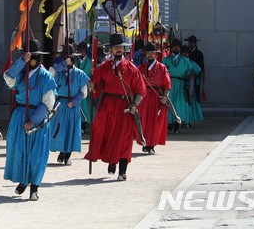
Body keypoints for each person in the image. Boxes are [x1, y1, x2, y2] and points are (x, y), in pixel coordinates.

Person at [85, 33, 146, 181]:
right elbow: (97, 90)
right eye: (115, 47)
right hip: (107, 106)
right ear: (111, 49)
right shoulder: (104, 68)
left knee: (124, 138)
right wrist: (92, 87)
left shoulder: (132, 69)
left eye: (121, 47)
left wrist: (134, 105)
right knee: (108, 136)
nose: (118, 49)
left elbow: (140, 91)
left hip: (125, 107)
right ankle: (112, 161)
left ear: (124, 49)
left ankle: (122, 170)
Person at [4, 39, 57, 201]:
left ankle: (34, 187)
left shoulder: (47, 77)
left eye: (34, 56)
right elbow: (7, 78)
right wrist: (21, 62)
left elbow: (48, 102)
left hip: (37, 118)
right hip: (20, 114)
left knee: (37, 154)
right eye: (28, 56)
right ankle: (23, 180)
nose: (32, 59)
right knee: (19, 151)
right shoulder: (20, 73)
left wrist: (33, 120)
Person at [49, 49, 88, 166]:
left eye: (70, 58)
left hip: (72, 105)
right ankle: (62, 152)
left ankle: (67, 156)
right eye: (66, 58)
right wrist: (62, 65)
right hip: (60, 105)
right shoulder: (58, 71)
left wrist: (75, 102)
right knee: (60, 130)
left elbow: (83, 92)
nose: (68, 60)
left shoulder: (80, 74)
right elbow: (50, 72)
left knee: (72, 130)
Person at [137, 42, 171, 154]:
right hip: (143, 97)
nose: (150, 55)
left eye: (152, 53)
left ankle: (151, 145)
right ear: (145, 54)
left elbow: (167, 85)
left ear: (156, 55)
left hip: (156, 98)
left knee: (154, 122)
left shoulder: (162, 68)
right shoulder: (141, 68)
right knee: (143, 121)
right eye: (148, 53)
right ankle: (144, 142)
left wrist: (165, 96)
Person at [165, 39, 202, 134]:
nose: (176, 48)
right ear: (172, 48)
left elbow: (194, 71)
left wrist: (190, 81)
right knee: (169, 105)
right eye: (174, 46)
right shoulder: (166, 59)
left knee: (179, 106)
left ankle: (176, 127)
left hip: (181, 84)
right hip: (169, 84)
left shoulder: (185, 60)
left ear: (180, 49)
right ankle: (170, 124)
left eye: (178, 46)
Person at [186, 35, 205, 102]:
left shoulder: (199, 53)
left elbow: (201, 65)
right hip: (187, 74)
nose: (192, 44)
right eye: (190, 42)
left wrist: (202, 76)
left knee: (196, 91)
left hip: (196, 75)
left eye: (193, 42)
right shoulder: (186, 53)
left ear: (195, 43)